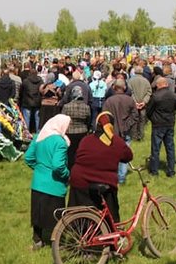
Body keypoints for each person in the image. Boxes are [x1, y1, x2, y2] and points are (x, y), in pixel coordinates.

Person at [69, 112, 133, 224]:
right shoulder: (116, 141)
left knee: (79, 215)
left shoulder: (86, 140)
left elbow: (77, 156)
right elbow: (128, 156)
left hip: (79, 181)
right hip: (104, 182)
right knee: (110, 215)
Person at [24, 114, 70, 250]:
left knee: (37, 214)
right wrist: (67, 175)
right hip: (54, 185)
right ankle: (57, 243)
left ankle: (37, 240)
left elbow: (28, 157)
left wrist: (39, 169)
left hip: (38, 183)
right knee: (56, 216)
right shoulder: (60, 142)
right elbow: (58, 165)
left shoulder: (39, 136)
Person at [102, 79, 138, 184]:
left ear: (114, 87)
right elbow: (135, 115)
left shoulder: (109, 101)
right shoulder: (129, 100)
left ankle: (114, 176)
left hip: (113, 132)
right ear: (124, 88)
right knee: (124, 153)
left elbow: (104, 117)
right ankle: (121, 178)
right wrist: (127, 125)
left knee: (112, 154)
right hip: (125, 131)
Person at [146, 77, 176, 177]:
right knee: (170, 147)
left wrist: (153, 119)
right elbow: (175, 107)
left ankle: (154, 171)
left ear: (159, 85)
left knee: (155, 148)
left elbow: (149, 110)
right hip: (170, 123)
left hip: (158, 124)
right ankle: (171, 170)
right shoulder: (173, 95)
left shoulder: (155, 96)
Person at [61, 86, 90, 168]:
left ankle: (70, 168)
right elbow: (88, 120)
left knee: (70, 152)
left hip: (69, 132)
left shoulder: (66, 107)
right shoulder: (86, 107)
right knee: (80, 151)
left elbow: (63, 119)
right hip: (82, 132)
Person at [128, 66, 152, 141]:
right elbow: (149, 92)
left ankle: (134, 136)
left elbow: (129, 92)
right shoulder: (146, 81)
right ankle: (141, 136)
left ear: (134, 72)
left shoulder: (130, 81)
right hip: (143, 104)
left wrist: (134, 102)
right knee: (142, 120)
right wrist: (144, 102)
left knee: (134, 120)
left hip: (133, 104)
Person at [20, 68, 42, 133]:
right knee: (37, 119)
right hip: (37, 101)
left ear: (29, 73)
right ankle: (38, 133)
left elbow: (21, 91)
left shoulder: (25, 81)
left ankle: (27, 134)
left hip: (27, 101)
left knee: (27, 119)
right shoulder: (41, 81)